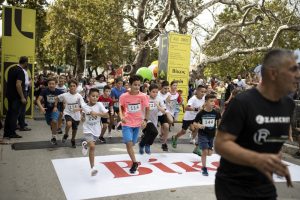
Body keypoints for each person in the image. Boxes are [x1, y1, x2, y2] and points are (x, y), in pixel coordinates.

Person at [214, 49, 298, 199]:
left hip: (265, 186)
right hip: (233, 187)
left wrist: (274, 162)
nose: (298, 75)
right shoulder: (242, 102)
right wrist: (258, 159)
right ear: (273, 74)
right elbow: (221, 144)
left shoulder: (288, 104)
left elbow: (269, 141)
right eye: (292, 70)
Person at [119, 75, 149, 174]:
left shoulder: (143, 96)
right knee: (128, 143)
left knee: (132, 143)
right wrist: (122, 117)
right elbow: (122, 108)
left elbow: (147, 108)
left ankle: (136, 142)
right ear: (130, 85)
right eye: (135, 85)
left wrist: (145, 120)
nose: (137, 87)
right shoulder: (123, 96)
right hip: (127, 123)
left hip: (138, 123)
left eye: (138, 85)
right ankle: (135, 162)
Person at [81, 88, 109, 176]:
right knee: (92, 147)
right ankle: (93, 168)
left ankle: (85, 145)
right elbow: (83, 116)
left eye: (97, 96)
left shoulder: (100, 104)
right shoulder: (85, 106)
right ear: (88, 97)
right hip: (87, 129)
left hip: (96, 130)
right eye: (93, 96)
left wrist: (97, 114)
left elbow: (107, 115)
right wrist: (82, 117)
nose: (95, 98)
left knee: (90, 145)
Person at [193, 94, 221, 176]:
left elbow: (219, 123)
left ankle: (198, 145)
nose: (213, 103)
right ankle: (204, 168)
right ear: (205, 102)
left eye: (214, 101)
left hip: (211, 135)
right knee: (205, 151)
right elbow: (194, 123)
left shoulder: (216, 113)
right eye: (211, 101)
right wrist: (199, 125)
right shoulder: (201, 113)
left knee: (210, 153)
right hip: (202, 134)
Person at [171, 85, 206, 149]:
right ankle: (175, 137)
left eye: (204, 92)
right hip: (188, 117)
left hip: (195, 118)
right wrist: (196, 109)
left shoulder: (204, 98)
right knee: (183, 132)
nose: (203, 93)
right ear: (197, 91)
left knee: (197, 128)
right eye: (201, 92)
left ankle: (194, 142)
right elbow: (186, 108)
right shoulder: (193, 99)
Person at [56, 79, 86, 148]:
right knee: (69, 124)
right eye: (71, 86)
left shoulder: (79, 96)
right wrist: (55, 106)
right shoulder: (65, 95)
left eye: (74, 86)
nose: (72, 87)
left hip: (76, 115)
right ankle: (66, 134)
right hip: (68, 112)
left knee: (74, 129)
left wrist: (79, 111)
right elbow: (57, 98)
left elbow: (84, 106)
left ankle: (73, 140)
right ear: (68, 87)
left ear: (76, 87)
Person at [4, 56, 28, 139]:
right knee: (14, 115)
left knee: (9, 114)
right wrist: (22, 97)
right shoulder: (20, 71)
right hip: (16, 97)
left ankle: (6, 132)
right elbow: (18, 84)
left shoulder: (12, 68)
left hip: (9, 95)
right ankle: (12, 133)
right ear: (25, 63)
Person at [36, 78, 64, 144]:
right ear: (48, 84)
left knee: (54, 121)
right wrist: (41, 108)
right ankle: (54, 129)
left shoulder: (59, 92)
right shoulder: (44, 91)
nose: (51, 85)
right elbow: (38, 100)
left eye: (53, 84)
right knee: (50, 123)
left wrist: (63, 110)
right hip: (47, 110)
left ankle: (53, 137)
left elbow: (65, 100)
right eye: (50, 84)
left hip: (56, 109)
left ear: (55, 84)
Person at [139, 84, 164, 154]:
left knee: (152, 133)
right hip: (144, 119)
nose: (155, 94)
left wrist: (158, 106)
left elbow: (164, 111)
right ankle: (143, 145)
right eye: (153, 92)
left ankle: (145, 144)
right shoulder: (145, 97)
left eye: (156, 92)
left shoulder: (159, 99)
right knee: (154, 131)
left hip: (154, 121)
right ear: (149, 91)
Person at [157, 80, 173, 151]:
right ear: (161, 87)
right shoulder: (157, 93)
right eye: (165, 88)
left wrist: (169, 104)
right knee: (151, 129)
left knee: (167, 125)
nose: (166, 90)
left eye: (167, 88)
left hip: (164, 113)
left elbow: (169, 105)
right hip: (156, 113)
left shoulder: (169, 94)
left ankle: (164, 143)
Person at [17, 63, 31, 132]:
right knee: (22, 109)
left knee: (20, 109)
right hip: (24, 91)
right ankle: (21, 125)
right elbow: (25, 83)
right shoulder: (24, 72)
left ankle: (21, 123)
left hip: (22, 91)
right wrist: (30, 82)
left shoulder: (20, 70)